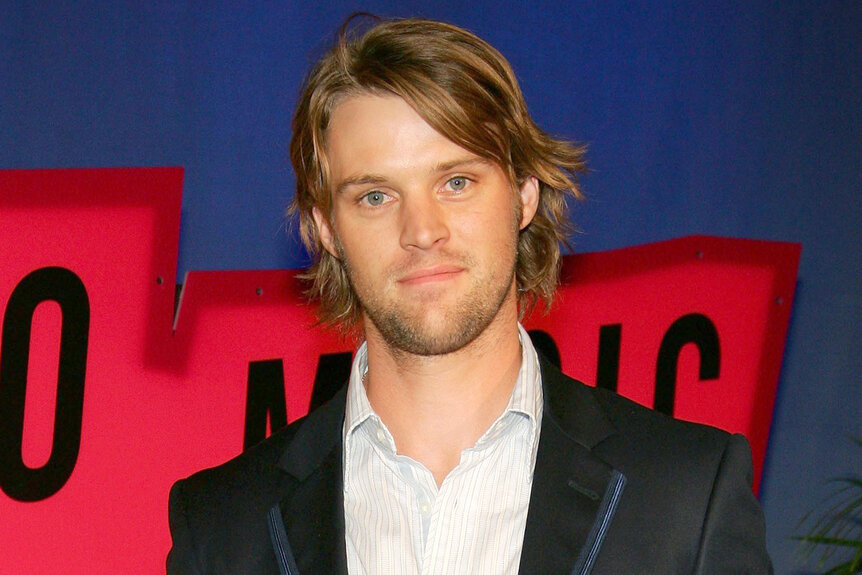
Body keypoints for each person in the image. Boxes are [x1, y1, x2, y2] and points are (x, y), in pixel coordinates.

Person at [167, 16, 772, 575]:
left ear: (525, 194)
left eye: (456, 182)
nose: (422, 230)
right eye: (375, 196)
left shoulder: (686, 496)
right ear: (327, 228)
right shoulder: (222, 526)